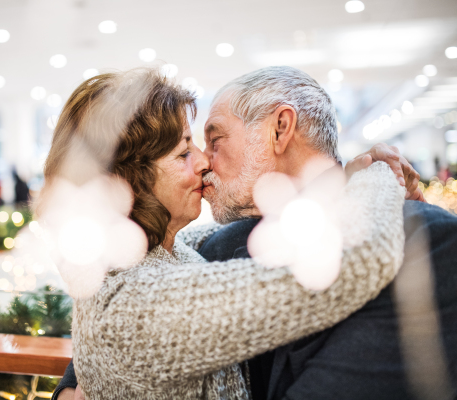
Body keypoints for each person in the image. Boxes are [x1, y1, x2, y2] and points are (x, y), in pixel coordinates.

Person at [56, 66, 456, 400]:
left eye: (214, 141)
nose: (204, 163)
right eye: (186, 151)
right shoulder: (214, 247)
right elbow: (123, 323)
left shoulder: (425, 242)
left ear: (280, 129)